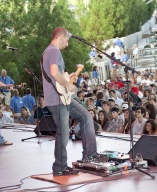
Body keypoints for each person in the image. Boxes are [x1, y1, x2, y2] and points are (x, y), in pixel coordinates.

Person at [41, 27, 107, 176]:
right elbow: (53, 73)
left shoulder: (49, 52)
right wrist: (67, 84)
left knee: (85, 116)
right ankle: (60, 167)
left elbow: (56, 76)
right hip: (57, 98)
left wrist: (68, 77)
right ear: (61, 37)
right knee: (63, 132)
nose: (67, 44)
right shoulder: (53, 51)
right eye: (67, 40)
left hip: (61, 97)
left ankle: (90, 155)